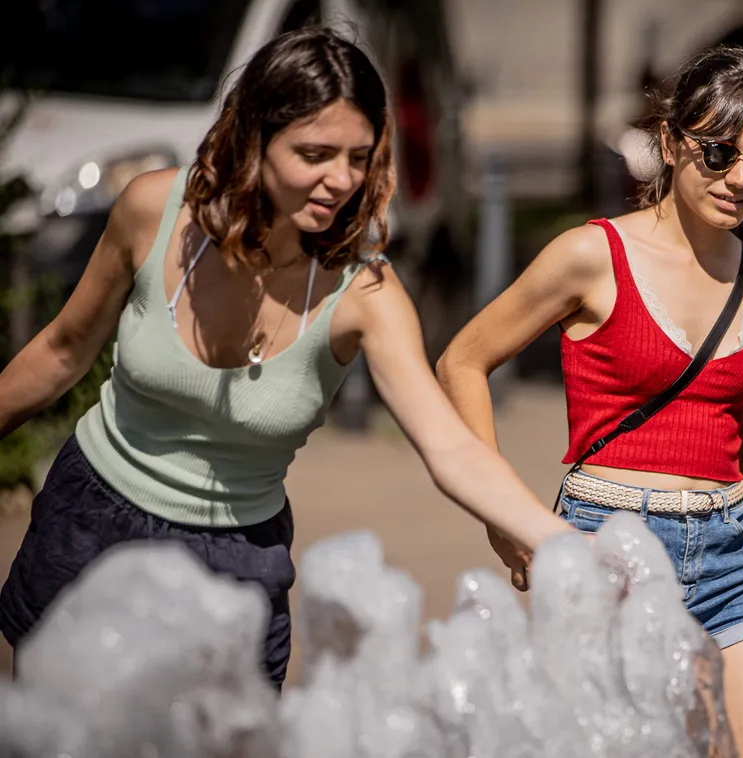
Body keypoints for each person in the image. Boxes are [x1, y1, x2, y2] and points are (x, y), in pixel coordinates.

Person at [0, 27, 574, 686]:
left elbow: (449, 447)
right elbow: (62, 350)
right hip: (93, 524)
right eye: (315, 153)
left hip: (236, 559)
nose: (341, 180)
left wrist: (554, 538)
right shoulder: (154, 210)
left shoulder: (367, 293)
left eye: (358, 157)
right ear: (254, 139)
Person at [437, 46, 743, 754]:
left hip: (729, 562)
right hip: (607, 547)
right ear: (672, 143)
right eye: (717, 154)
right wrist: (502, 515)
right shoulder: (590, 256)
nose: (738, 180)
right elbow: (462, 361)